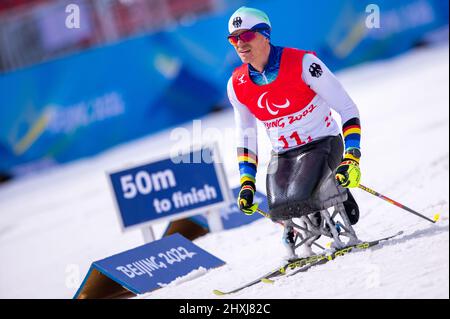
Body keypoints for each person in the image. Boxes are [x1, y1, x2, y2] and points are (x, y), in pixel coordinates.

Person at [226, 7, 362, 260]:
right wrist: (247, 182)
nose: (239, 44)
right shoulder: (237, 85)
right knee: (279, 207)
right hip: (284, 154)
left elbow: (347, 108)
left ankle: (337, 210)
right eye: (234, 39)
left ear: (264, 35)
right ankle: (301, 240)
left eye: (245, 36)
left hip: (322, 143)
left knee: (300, 196)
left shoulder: (303, 63)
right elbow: (246, 136)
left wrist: (352, 157)